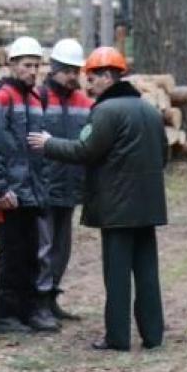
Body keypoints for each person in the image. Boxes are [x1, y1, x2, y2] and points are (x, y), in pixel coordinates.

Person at [27, 47, 167, 351]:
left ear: (108, 76)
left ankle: (117, 337)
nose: (87, 85)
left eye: (92, 79)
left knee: (116, 275)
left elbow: (84, 150)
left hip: (117, 209)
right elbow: (163, 156)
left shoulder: (105, 111)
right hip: (149, 206)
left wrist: (49, 144)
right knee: (147, 273)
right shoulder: (150, 111)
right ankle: (153, 335)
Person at [0, 36, 55, 333]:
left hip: (32, 192)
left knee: (30, 254)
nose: (33, 71)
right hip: (10, 194)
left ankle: (28, 311)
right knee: (11, 255)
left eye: (37, 65)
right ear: (12, 65)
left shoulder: (37, 98)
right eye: (27, 65)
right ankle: (4, 315)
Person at [35, 38, 92, 322]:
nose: (73, 76)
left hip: (71, 187)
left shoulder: (84, 102)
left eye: (76, 70)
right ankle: (39, 302)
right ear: (54, 69)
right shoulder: (39, 97)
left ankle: (53, 296)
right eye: (67, 70)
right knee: (43, 249)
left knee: (62, 248)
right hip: (45, 186)